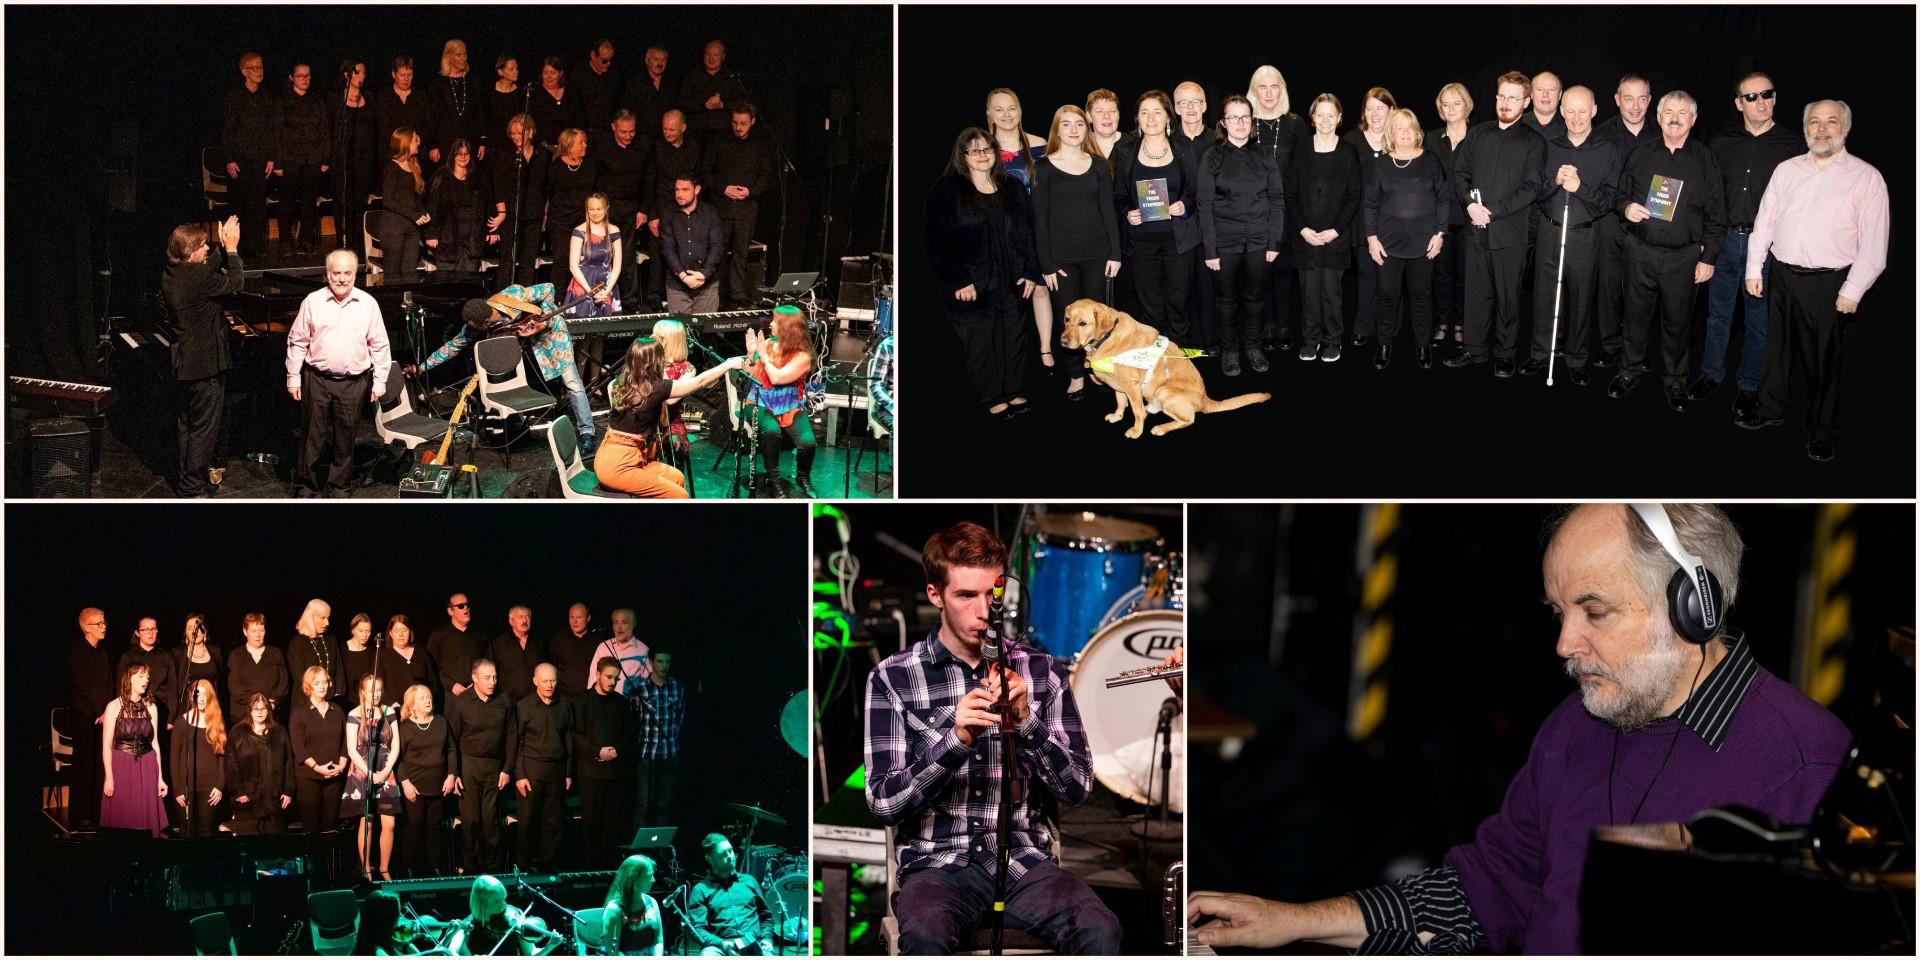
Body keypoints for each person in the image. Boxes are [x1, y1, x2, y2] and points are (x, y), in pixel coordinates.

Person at [1187, 504, 1851, 956]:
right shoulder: (1577, 726)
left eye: (1595, 612)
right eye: (1559, 612)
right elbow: (1489, 888)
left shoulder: (1806, 763)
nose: (1564, 643)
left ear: (1694, 607)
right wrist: (1293, 921)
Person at [866, 522, 1121, 954]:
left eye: (993, 595)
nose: (985, 611)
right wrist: (955, 742)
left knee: (1100, 928)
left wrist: (1027, 723)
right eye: (966, 596)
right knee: (926, 935)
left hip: (1027, 862)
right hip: (937, 866)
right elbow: (884, 803)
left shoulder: (1043, 672)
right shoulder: (893, 677)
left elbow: (1078, 789)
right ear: (935, 596)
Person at [1738, 98, 1889, 463]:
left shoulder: (1866, 178)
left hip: (1829, 283)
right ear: (1806, 128)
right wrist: (1754, 269)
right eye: (1815, 122)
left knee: (1825, 361)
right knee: (1777, 348)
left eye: (1831, 122)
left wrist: (1852, 290)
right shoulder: (1787, 170)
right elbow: (1765, 222)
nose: (1822, 129)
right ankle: (1770, 407)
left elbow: (1875, 242)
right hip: (1782, 274)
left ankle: (1822, 429)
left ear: (1845, 128)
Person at [1607, 90, 1725, 411]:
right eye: (1668, 112)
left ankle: (1675, 380)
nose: (1674, 118)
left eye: (1682, 113)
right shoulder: (1640, 154)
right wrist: (1626, 206)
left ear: (1694, 119)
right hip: (1640, 250)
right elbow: (1618, 195)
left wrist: (1708, 257)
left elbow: (1717, 214)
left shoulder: (1706, 160)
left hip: (1684, 257)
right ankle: (1628, 371)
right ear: (1658, 117)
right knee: (1634, 316)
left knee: (1678, 322)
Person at [1696, 73, 1803, 413]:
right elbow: (1707, 194)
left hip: (1767, 249)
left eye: (1767, 94)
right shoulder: (1721, 142)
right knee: (1717, 315)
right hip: (1725, 241)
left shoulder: (1793, 145)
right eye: (1752, 96)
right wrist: (1705, 240)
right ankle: (1711, 374)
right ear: (1739, 103)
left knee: (1760, 321)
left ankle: (1749, 386)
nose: (1761, 102)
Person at [407, 282, 596, 456]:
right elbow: (452, 346)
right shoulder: (476, 322)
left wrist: (542, 323)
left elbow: (549, 289)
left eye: (476, 329)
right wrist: (422, 368)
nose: (472, 331)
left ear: (486, 322)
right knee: (504, 376)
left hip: (551, 335)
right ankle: (515, 424)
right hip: (526, 343)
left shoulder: (512, 295)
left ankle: (587, 433)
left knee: (572, 382)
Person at [927, 127, 1038, 420]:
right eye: (974, 150)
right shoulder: (947, 189)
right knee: (981, 343)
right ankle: (992, 395)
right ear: (962, 155)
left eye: (987, 149)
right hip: (972, 282)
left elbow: (1029, 232)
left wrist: (1030, 272)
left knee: (1015, 338)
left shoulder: (1012, 186)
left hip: (1013, 279)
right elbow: (938, 241)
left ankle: (1014, 390)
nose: (982, 155)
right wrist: (959, 279)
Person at [1443, 72, 1546, 375]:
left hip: (1510, 234)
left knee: (1508, 297)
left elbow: (1532, 188)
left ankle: (1506, 352)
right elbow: (1461, 173)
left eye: (1513, 97)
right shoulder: (1478, 134)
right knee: (1475, 293)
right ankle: (1474, 349)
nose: (1505, 103)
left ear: (1526, 102)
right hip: (1475, 229)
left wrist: (1492, 210)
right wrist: (1471, 205)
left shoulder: (1533, 142)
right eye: (1501, 96)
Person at [1523, 86, 1621, 383]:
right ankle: (1540, 353)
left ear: (1593, 111)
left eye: (1582, 110)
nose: (1576, 117)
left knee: (1580, 298)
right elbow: (1535, 193)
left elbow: (1609, 201)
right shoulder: (1548, 146)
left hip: (1584, 235)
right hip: (1550, 230)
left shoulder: (1608, 150)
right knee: (1544, 295)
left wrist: (1580, 188)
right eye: (1570, 110)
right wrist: (1554, 181)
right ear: (1562, 112)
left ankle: (1577, 358)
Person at [286, 248, 391, 497]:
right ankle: (307, 487)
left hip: (354, 382)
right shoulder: (312, 301)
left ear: (355, 274)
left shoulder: (368, 304)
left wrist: (379, 382)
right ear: (327, 274)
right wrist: (293, 377)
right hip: (317, 379)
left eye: (347, 273)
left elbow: (379, 345)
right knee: (312, 437)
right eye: (337, 273)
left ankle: (339, 487)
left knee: (346, 439)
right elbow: (297, 341)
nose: (342, 279)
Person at [1032, 104, 1119, 397]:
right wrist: (1046, 264)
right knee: (1068, 322)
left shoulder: (1098, 165)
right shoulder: (1042, 167)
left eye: (1079, 124)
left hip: (1098, 256)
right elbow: (1039, 221)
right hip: (1061, 261)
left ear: (1086, 129)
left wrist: (1115, 254)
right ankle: (1076, 374)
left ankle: (1098, 369)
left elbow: (1109, 213)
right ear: (1057, 129)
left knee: (1099, 321)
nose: (1073, 130)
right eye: (1066, 124)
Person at [1199, 94, 1286, 377]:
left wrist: (1274, 242)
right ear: (1223, 122)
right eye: (1233, 117)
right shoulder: (1212, 156)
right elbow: (1204, 206)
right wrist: (1210, 249)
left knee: (1256, 298)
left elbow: (1276, 199)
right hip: (1224, 242)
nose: (1239, 123)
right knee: (1226, 301)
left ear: (1252, 121)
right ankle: (1230, 352)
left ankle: (1253, 347)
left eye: (1245, 117)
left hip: (1260, 242)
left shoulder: (1264, 155)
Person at [159, 217, 246, 497]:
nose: (206, 249)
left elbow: (205, 269)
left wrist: (219, 246)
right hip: (205, 365)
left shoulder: (173, 273)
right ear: (189, 253)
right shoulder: (197, 277)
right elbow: (235, 282)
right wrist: (231, 250)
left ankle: (187, 481)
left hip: (185, 364)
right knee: (204, 431)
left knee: (187, 426)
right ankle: (192, 488)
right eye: (203, 245)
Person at [596, 337, 742, 498]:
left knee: (677, 478)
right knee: (680, 496)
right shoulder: (656, 388)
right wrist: (728, 365)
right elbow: (700, 382)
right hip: (619, 465)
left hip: (617, 455)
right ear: (657, 361)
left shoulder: (621, 381)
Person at [1363, 108, 1448, 370]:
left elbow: (1443, 198)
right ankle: (1384, 346)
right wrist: (1372, 238)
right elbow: (1370, 204)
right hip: (1387, 245)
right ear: (1391, 133)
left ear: (1417, 132)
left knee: (1421, 296)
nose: (1405, 132)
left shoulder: (1431, 161)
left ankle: (1422, 347)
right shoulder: (1381, 164)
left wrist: (1440, 233)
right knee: (1387, 296)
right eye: (1399, 127)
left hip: (1424, 245)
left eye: (1410, 127)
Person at [1112, 91, 1198, 344]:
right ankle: (1156, 350)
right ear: (1137, 118)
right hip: (1141, 241)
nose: (1151, 118)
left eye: (1157, 111)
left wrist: (1184, 206)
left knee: (1180, 299)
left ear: (1168, 117)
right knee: (1150, 302)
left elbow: (1194, 193)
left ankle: (1179, 348)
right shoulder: (1125, 151)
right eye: (1144, 112)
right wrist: (1128, 212)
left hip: (1178, 239)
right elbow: (1118, 194)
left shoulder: (1184, 149)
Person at [1286, 94, 1362, 361]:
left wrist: (1335, 230)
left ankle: (1332, 340)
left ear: (1340, 119)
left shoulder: (1348, 151)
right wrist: (1303, 229)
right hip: (1304, 236)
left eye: (1332, 115)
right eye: (1321, 114)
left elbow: (1354, 196)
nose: (1326, 120)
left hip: (1335, 237)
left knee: (1332, 293)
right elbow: (1290, 194)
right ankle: (1310, 339)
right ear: (1313, 118)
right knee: (1308, 295)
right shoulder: (1301, 149)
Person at [1592, 75, 1659, 369]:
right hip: (1609, 221)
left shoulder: (1661, 134)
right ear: (1617, 99)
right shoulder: (1601, 134)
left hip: (1648, 226)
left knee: (1640, 290)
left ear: (1650, 100)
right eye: (1628, 98)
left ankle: (1636, 349)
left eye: (1642, 98)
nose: (1635, 106)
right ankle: (1609, 346)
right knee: (1609, 287)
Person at [1248, 66, 1309, 355]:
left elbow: (1305, 169)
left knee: (1283, 269)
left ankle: (1284, 324)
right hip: (1253, 211)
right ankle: (1267, 324)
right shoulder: (1244, 122)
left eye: (1275, 87)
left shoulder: (1295, 124)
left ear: (1282, 89)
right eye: (1263, 87)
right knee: (1261, 270)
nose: (1269, 93)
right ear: (1254, 90)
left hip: (1286, 209)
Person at [449, 660, 515, 873]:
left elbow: (511, 735)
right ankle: (470, 866)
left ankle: (493, 866)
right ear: (475, 678)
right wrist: (454, 772)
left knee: (491, 818)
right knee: (471, 819)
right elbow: (452, 740)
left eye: (495, 677)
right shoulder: (462, 703)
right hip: (469, 763)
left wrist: (507, 769)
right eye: (487, 678)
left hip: (495, 764)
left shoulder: (504, 699)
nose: (492, 682)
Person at [743, 308, 817, 498]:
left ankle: (803, 477)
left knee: (808, 443)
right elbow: (749, 375)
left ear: (788, 328)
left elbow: (776, 378)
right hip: (759, 401)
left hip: (789, 406)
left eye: (776, 321)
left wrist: (763, 355)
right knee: (771, 430)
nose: (771, 324)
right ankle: (773, 479)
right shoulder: (767, 344)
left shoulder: (803, 356)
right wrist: (751, 355)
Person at [706, 103, 775, 308]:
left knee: (741, 253)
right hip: (722, 207)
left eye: (743, 123)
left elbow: (766, 175)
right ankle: (714, 292)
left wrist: (750, 191)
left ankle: (737, 293)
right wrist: (723, 188)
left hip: (746, 209)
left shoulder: (759, 145)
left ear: (752, 122)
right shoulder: (718, 142)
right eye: (735, 122)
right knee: (718, 251)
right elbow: (706, 172)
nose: (738, 127)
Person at [1343, 87, 1396, 348]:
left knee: (1391, 278)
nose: (1375, 114)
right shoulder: (1352, 140)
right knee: (1366, 275)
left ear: (1391, 110)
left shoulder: (1400, 138)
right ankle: (1363, 325)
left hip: (1396, 222)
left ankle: (1390, 327)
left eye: (1380, 108)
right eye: (1370, 108)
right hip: (1363, 221)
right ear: (1364, 111)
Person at [1171, 81, 1220, 352]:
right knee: (1181, 290)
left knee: (1210, 287)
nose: (1190, 108)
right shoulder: (1166, 142)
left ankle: (1211, 341)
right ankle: (1185, 343)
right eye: (1183, 103)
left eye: (1195, 102)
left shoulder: (1218, 140)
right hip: (1178, 228)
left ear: (1204, 105)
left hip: (1213, 227)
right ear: (1176, 108)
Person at [511, 664, 573, 872]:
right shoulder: (524, 706)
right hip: (531, 768)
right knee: (528, 819)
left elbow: (569, 739)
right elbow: (517, 742)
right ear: (535, 681)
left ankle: (548, 863)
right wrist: (519, 774)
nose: (549, 685)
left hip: (556, 768)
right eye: (545, 681)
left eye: (553, 680)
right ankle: (525, 865)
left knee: (554, 820)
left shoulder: (564, 704)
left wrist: (568, 772)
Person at [1427, 83, 1474, 345]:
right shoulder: (1432, 139)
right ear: (1440, 109)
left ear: (1466, 106)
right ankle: (1443, 322)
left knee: (1464, 277)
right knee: (1441, 277)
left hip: (1468, 223)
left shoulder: (1479, 137)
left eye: (1456, 103)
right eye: (1445, 104)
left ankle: (1461, 323)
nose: (1451, 108)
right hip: (1439, 223)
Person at [577, 659, 634, 868]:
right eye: (609, 677)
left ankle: (609, 869)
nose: (613, 681)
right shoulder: (583, 701)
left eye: (616, 678)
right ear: (597, 675)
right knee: (590, 823)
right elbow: (577, 735)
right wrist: (597, 751)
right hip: (590, 772)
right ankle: (588, 869)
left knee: (612, 824)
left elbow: (629, 733)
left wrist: (616, 750)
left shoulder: (621, 702)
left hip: (614, 772)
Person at [344, 674, 401, 880]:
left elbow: (395, 745)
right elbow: (351, 749)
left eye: (378, 690)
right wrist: (369, 773)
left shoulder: (389, 712)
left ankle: (384, 868)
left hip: (385, 768)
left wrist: (385, 772)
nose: (375, 694)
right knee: (366, 822)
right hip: (362, 769)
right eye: (371, 690)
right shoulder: (354, 713)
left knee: (389, 823)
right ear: (362, 691)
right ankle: (366, 868)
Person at [101, 663, 169, 837]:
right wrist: (109, 777)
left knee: (145, 817)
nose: (145, 680)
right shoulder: (114, 707)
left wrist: (160, 778)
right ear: (128, 680)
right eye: (140, 676)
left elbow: (155, 743)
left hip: (146, 765)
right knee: (123, 815)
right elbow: (107, 745)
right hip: (121, 765)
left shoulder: (151, 707)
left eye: (147, 676)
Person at [396, 683, 457, 878]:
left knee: (435, 826)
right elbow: (398, 758)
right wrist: (405, 782)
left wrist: (451, 775)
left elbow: (451, 750)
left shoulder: (440, 722)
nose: (428, 700)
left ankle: (435, 866)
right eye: (422, 698)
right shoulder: (404, 728)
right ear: (412, 705)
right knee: (415, 825)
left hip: (439, 784)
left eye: (429, 696)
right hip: (414, 784)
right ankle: (408, 866)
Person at [593, 111, 652, 308]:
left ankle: (629, 301)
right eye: (623, 132)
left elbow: (648, 180)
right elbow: (596, 180)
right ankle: (602, 298)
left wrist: (643, 209)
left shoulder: (642, 147)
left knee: (627, 256)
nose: (628, 136)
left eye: (631, 131)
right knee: (602, 255)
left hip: (630, 208)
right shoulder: (602, 147)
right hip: (607, 209)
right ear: (613, 127)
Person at [221, 52, 277, 258]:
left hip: (260, 158)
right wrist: (229, 159)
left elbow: (271, 129)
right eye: (254, 68)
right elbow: (228, 130)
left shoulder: (266, 97)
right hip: (240, 159)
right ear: (244, 72)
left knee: (257, 205)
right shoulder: (235, 97)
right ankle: (237, 248)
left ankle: (256, 246)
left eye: (261, 67)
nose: (259, 71)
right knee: (239, 204)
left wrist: (271, 157)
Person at [645, 111, 704, 304]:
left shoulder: (693, 147)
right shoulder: (657, 147)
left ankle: (684, 292)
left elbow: (697, 178)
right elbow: (649, 181)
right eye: (664, 128)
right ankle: (655, 297)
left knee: (684, 250)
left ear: (683, 128)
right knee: (658, 253)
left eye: (672, 129)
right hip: (662, 206)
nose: (667, 133)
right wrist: (652, 214)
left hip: (685, 208)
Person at [687, 834, 776, 956]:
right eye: (723, 854)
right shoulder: (700, 890)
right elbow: (698, 930)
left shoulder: (750, 881)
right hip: (720, 946)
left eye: (731, 851)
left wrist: (767, 938)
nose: (730, 856)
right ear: (709, 859)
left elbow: (766, 917)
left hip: (754, 943)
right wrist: (721, 943)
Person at [69, 609, 117, 831]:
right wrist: (97, 712)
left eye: (104, 622)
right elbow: (80, 687)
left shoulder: (103, 652)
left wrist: (107, 710)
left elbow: (109, 684)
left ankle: (99, 813)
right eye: (99, 624)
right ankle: (80, 816)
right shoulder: (78, 652)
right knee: (85, 765)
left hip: (103, 716)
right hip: (85, 716)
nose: (104, 626)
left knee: (101, 764)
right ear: (87, 627)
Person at [275, 63, 329, 254]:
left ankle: (306, 240)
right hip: (290, 159)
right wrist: (278, 162)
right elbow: (277, 132)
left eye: (307, 75)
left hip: (312, 159)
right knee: (287, 202)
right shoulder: (283, 100)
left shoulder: (316, 100)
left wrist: (325, 159)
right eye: (300, 76)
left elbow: (324, 130)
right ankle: (285, 242)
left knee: (308, 202)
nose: (305, 79)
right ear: (292, 78)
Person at [329, 60, 381, 253]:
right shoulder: (336, 98)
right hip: (342, 158)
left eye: (364, 73)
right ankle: (342, 242)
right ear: (347, 75)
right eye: (359, 73)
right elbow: (330, 129)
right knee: (343, 200)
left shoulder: (369, 97)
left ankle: (358, 242)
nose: (363, 77)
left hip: (364, 158)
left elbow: (375, 128)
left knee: (359, 200)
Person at [491, 113, 549, 287]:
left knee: (528, 262)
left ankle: (524, 303)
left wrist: (545, 212)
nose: (516, 137)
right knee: (507, 261)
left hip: (534, 214)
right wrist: (502, 212)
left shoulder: (542, 155)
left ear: (530, 132)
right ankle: (502, 302)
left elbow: (546, 185)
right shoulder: (507, 156)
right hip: (512, 215)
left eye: (519, 133)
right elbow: (498, 185)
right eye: (513, 134)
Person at [225, 692, 295, 835]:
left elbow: (289, 762)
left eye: (263, 709)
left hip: (275, 800)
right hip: (247, 802)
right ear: (249, 711)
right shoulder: (238, 732)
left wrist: (288, 790)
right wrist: (238, 790)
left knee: (274, 849)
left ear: (268, 710)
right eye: (256, 709)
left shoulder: (279, 731)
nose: (259, 712)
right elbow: (231, 765)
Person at [290, 665, 347, 839]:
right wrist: (317, 767)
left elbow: (346, 740)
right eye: (317, 683)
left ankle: (330, 866)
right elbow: (298, 746)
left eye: (325, 682)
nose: (322, 686)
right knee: (311, 827)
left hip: (334, 775)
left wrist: (342, 765)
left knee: (331, 826)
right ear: (309, 686)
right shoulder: (299, 713)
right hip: (309, 776)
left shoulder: (336, 710)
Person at [426, 139, 498, 273]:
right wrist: (431, 234)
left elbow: (489, 206)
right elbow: (432, 208)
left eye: (466, 154)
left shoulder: (479, 178)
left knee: (469, 285)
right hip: (447, 242)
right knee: (448, 285)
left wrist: (492, 230)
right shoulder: (441, 177)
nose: (463, 157)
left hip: (472, 242)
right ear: (453, 155)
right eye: (459, 153)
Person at [632, 646, 685, 829]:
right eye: (660, 661)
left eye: (667, 662)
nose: (664, 666)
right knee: (644, 806)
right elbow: (635, 721)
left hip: (670, 754)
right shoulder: (640, 689)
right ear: (651, 662)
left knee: (664, 805)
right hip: (647, 754)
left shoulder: (677, 688)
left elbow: (679, 719)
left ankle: (660, 850)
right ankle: (641, 851)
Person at [447, 875, 563, 955]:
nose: (504, 904)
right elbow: (450, 953)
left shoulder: (515, 915)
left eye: (504, 898)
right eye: (497, 901)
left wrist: (550, 946)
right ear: (482, 904)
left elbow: (530, 953)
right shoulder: (467, 926)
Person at [170, 678, 227, 838]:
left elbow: (223, 756)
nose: (201, 698)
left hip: (210, 786)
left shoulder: (216, 721)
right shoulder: (182, 722)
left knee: (206, 831)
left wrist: (220, 785)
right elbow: (174, 758)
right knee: (187, 831)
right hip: (186, 786)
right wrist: (178, 789)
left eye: (205, 694)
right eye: (197, 694)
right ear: (191, 696)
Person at [661, 176, 723, 315]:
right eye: (677, 189)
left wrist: (703, 274)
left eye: (685, 189)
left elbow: (716, 247)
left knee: (705, 332)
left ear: (697, 189)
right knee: (679, 332)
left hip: (706, 284)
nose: (679, 194)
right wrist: (684, 277)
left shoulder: (710, 213)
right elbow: (667, 248)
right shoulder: (668, 213)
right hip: (677, 284)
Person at [548, 128, 600, 292]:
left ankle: (583, 298)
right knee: (562, 261)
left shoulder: (590, 165)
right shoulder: (555, 167)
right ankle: (557, 300)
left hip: (584, 221)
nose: (585, 145)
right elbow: (548, 193)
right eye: (581, 142)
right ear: (569, 145)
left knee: (586, 260)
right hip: (560, 222)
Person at [379, 128, 432, 282]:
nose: (419, 142)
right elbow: (388, 200)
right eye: (416, 139)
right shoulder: (391, 168)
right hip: (394, 229)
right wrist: (415, 215)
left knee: (410, 273)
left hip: (411, 229)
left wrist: (422, 213)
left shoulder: (413, 165)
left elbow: (415, 197)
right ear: (406, 143)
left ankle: (409, 306)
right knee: (393, 273)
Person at [427, 40, 488, 167]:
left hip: (471, 142)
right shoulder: (438, 84)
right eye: (458, 55)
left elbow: (480, 113)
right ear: (448, 57)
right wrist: (433, 145)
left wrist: (482, 142)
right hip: (445, 144)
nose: (464, 58)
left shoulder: (474, 81)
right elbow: (432, 117)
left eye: (465, 54)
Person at [566, 192, 623, 323]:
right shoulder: (579, 231)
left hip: (606, 286)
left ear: (606, 208)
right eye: (591, 209)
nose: (595, 213)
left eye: (599, 209)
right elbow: (573, 266)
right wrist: (591, 292)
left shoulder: (614, 231)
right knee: (582, 335)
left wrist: (606, 291)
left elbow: (617, 265)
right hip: (583, 285)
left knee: (602, 334)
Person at [118, 617, 178, 737]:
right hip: (134, 712)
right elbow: (121, 686)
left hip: (161, 711)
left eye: (153, 629)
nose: (150, 632)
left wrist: (171, 717)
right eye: (145, 629)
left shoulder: (165, 656)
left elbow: (172, 688)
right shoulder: (129, 656)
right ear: (137, 633)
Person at [679, 40, 746, 145]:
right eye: (708, 54)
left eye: (715, 55)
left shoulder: (731, 76)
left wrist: (722, 104)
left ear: (723, 56)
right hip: (696, 134)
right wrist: (704, 105)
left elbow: (742, 103)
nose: (711, 59)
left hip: (725, 134)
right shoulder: (692, 76)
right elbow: (683, 103)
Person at [429, 593, 487, 706]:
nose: (466, 608)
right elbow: (431, 666)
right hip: (450, 695)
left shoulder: (480, 635)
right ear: (450, 611)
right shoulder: (439, 635)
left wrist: (477, 684)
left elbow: (488, 663)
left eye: (467, 605)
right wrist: (451, 685)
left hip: (477, 692)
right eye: (461, 606)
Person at [603, 854, 665, 955]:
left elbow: (658, 941)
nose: (653, 880)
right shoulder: (614, 909)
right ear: (634, 879)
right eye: (649, 876)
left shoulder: (652, 903)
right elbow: (613, 951)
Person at [228, 611, 289, 712]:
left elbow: (283, 684)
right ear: (244, 631)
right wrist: (257, 703)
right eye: (253, 631)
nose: (258, 635)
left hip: (270, 712)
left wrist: (271, 703)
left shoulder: (275, 653)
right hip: (243, 713)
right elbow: (235, 688)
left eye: (261, 630)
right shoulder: (236, 655)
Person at [374, 56, 428, 166]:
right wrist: (403, 142)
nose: (406, 79)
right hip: (391, 155)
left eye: (410, 75)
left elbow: (429, 125)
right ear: (394, 74)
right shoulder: (384, 96)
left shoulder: (420, 96)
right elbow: (383, 126)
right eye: (402, 75)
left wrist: (418, 138)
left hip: (417, 155)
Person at [287, 598, 342, 704]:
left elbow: (339, 672)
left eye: (328, 618)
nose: (327, 623)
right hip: (306, 702)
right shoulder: (297, 642)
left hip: (330, 700)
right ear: (310, 617)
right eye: (323, 618)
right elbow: (299, 677)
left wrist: (337, 696)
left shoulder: (331, 640)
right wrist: (315, 698)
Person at [528, 57, 586, 155]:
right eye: (545, 73)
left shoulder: (571, 93)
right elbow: (531, 124)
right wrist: (547, 146)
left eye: (553, 73)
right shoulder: (534, 95)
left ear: (561, 74)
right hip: (543, 150)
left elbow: (580, 121)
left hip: (570, 149)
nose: (549, 77)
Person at [550, 604, 606, 702]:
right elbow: (552, 666)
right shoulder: (559, 639)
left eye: (579, 617)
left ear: (588, 618)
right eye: (571, 617)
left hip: (591, 698)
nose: (574, 621)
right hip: (564, 698)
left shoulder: (598, 640)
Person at [588, 609, 652, 695]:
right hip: (602, 705)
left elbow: (648, 686)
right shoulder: (603, 647)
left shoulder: (643, 651)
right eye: (616, 622)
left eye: (624, 622)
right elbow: (593, 679)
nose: (619, 627)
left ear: (633, 624)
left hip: (628, 706)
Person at [621, 46, 676, 144]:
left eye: (663, 60)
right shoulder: (635, 83)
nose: (660, 64)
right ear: (647, 60)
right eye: (656, 59)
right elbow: (627, 111)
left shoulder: (672, 83)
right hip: (641, 139)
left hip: (666, 139)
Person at [492, 606, 546, 703]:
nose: (525, 620)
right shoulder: (498, 644)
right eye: (520, 617)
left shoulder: (538, 643)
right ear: (511, 621)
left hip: (533, 702)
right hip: (506, 702)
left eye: (527, 617)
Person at [175, 614, 223, 717]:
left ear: (205, 630)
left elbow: (220, 682)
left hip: (211, 708)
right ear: (185, 632)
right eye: (190, 628)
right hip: (186, 709)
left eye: (198, 628)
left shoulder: (215, 652)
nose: (194, 631)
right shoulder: (178, 653)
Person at [574, 39, 621, 129]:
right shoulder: (579, 75)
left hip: (608, 129)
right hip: (586, 130)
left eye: (610, 60)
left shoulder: (614, 75)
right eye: (604, 61)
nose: (608, 64)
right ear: (593, 55)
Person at [487, 56, 524, 160]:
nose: (516, 71)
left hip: (514, 142)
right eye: (511, 69)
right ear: (500, 71)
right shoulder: (489, 92)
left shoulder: (521, 92)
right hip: (494, 144)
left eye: (516, 68)